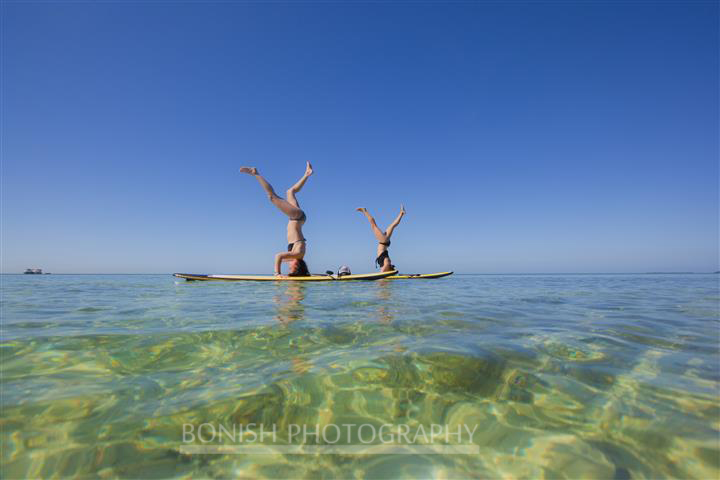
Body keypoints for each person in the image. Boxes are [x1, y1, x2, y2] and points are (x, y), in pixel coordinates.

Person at [239, 162, 313, 277]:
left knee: (290, 191)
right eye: (290, 267)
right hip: (296, 217)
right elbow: (278, 256)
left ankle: (307, 174)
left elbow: (282, 258)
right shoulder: (298, 254)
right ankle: (255, 173)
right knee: (272, 197)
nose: (288, 266)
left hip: (296, 218)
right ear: (297, 265)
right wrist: (277, 273)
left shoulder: (296, 255)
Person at [356, 205, 405, 272]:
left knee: (390, 225)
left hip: (385, 243)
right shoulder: (386, 262)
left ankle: (401, 214)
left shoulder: (386, 262)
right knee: (374, 225)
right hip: (384, 241)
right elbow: (384, 268)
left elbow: (385, 267)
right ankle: (364, 210)